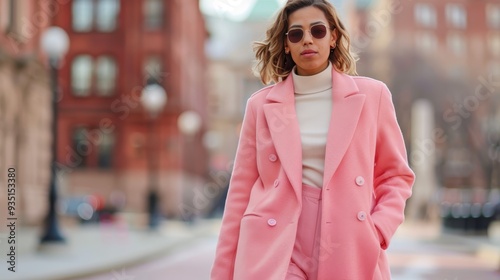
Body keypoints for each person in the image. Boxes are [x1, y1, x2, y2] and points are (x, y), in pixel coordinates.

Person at [210, 0, 415, 279]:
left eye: (317, 31)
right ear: (286, 44)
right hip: (277, 239)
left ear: (333, 37)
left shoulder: (372, 96)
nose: (307, 39)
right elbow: (239, 194)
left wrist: (377, 229)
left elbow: (396, 175)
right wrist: (221, 273)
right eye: (296, 34)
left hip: (346, 238)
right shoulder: (260, 106)